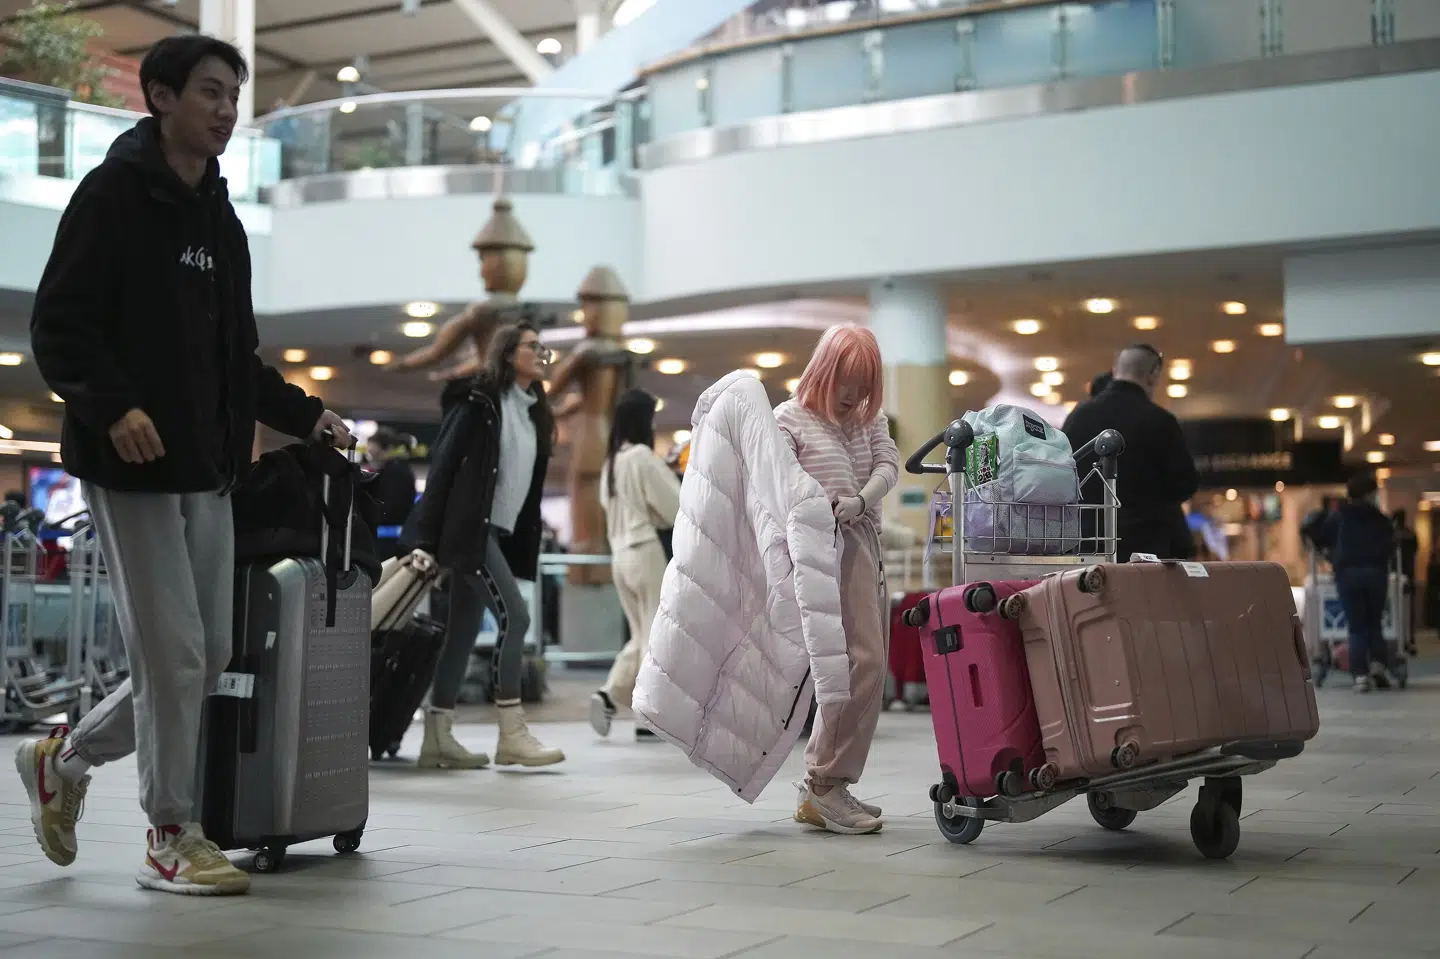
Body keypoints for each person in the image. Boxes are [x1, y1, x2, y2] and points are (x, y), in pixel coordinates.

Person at [20, 35, 350, 897]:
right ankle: (171, 832)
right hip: (129, 465)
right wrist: (113, 405)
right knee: (173, 655)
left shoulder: (221, 220)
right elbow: (59, 326)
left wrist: (308, 416)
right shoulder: (112, 197)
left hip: (207, 468)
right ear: (160, 96)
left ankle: (64, 757)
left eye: (233, 99)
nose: (225, 111)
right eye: (210, 93)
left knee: (210, 651)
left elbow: (235, 357)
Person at [404, 322, 564, 769]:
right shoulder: (480, 403)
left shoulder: (534, 411)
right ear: (509, 353)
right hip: (472, 532)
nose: (542, 353)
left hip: (496, 533)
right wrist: (424, 539)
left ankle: (437, 738)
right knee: (517, 616)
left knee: (462, 631)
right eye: (533, 346)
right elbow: (444, 467)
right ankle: (511, 733)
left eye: (542, 347)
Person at [774, 325, 899, 835]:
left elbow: (889, 465)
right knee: (856, 664)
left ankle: (827, 784)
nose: (852, 394)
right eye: (846, 380)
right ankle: (826, 783)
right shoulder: (788, 418)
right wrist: (824, 507)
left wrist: (860, 501)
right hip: (818, 553)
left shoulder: (869, 418)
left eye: (863, 383)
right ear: (824, 370)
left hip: (862, 546)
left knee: (863, 664)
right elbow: (777, 482)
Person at [589, 389, 680, 740]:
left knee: (641, 632)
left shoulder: (611, 461)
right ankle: (647, 714)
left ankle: (609, 695)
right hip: (644, 551)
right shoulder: (642, 456)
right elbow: (674, 506)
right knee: (654, 634)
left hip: (619, 556)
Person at [1063, 344, 1198, 561]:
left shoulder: (1078, 417)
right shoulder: (1160, 421)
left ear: (1115, 370)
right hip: (1144, 549)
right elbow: (1184, 485)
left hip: (1085, 544)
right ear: (1153, 375)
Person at [1308, 473, 1397, 692]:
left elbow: (1320, 538)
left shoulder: (1338, 517)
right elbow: (1391, 545)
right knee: (1374, 622)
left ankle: (1360, 676)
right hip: (1376, 574)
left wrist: (1332, 558)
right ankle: (1378, 665)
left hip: (1347, 574)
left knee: (1356, 626)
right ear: (1369, 493)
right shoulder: (1380, 518)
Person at [1392, 509, 1418, 653]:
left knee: (1396, 609)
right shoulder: (1411, 534)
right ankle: (1410, 638)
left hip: (1395, 577)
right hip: (1410, 575)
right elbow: (1415, 551)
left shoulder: (1392, 536)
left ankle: (1399, 639)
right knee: (1409, 609)